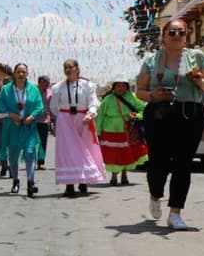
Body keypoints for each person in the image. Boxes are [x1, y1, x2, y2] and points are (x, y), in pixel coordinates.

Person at [134, 18, 204, 229]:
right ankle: (155, 194)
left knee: (183, 164)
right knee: (159, 163)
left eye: (181, 32)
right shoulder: (152, 60)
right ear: (163, 36)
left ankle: (175, 213)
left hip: (189, 114)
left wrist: (199, 80)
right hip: (159, 114)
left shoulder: (196, 57)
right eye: (172, 32)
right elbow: (139, 91)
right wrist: (154, 95)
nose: (177, 36)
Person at [50, 59, 107, 197]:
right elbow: (53, 106)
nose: (68, 70)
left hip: (84, 119)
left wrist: (90, 113)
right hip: (65, 119)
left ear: (77, 68)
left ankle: (83, 180)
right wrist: (63, 117)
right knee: (68, 151)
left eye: (70, 67)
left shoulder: (88, 85)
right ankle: (69, 184)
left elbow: (93, 102)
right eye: (65, 68)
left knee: (85, 149)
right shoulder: (58, 87)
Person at [0, 63, 44, 197]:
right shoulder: (6, 90)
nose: (21, 74)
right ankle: (15, 181)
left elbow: (40, 107)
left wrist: (32, 116)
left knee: (29, 153)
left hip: (29, 128)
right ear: (14, 74)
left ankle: (30, 183)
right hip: (13, 128)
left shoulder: (34, 89)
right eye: (18, 72)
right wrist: (11, 115)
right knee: (14, 156)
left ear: (27, 74)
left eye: (23, 72)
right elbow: (0, 110)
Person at [97, 79, 148, 185]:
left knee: (126, 153)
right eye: (118, 85)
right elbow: (100, 116)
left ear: (127, 87)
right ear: (114, 87)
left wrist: (137, 116)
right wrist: (98, 132)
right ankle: (114, 176)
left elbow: (144, 109)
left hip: (127, 130)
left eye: (123, 85)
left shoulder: (133, 97)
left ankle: (124, 175)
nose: (120, 88)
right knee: (113, 154)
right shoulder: (107, 100)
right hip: (110, 131)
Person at [35, 75, 53, 170]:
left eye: (49, 83)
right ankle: (31, 161)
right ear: (41, 82)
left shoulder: (50, 93)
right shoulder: (33, 91)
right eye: (46, 83)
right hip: (33, 120)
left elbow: (52, 108)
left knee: (43, 142)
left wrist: (53, 121)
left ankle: (40, 162)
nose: (48, 85)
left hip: (45, 120)